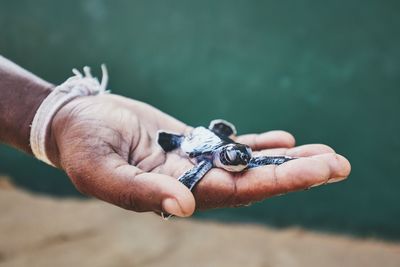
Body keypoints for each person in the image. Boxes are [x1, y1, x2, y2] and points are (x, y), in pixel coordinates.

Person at [0, 55, 351, 217]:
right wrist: (58, 118)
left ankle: (220, 137)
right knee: (186, 148)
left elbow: (242, 156)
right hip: (195, 144)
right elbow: (201, 162)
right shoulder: (204, 158)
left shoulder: (235, 154)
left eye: (240, 155)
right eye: (236, 157)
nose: (242, 161)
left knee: (259, 155)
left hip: (211, 142)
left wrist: (53, 113)